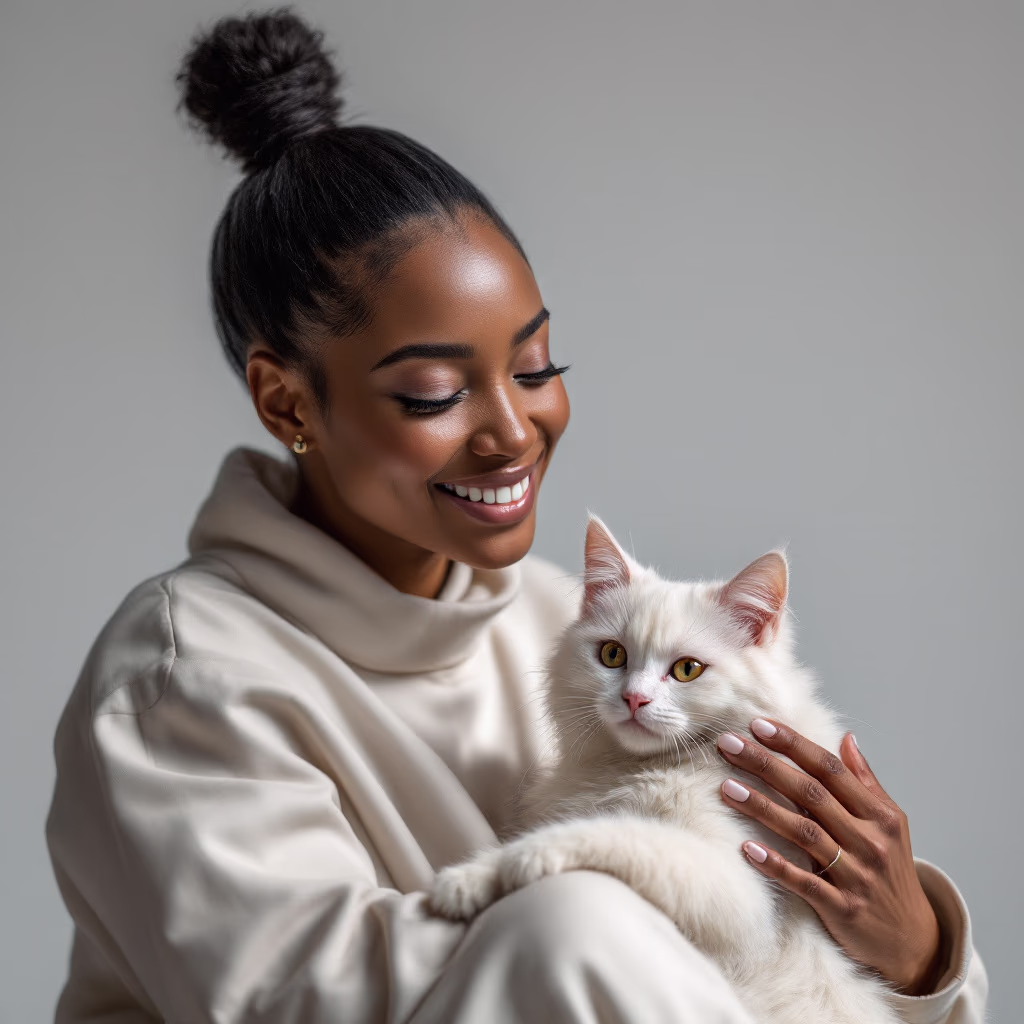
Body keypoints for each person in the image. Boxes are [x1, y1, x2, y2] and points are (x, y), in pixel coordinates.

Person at [45, 9, 988, 1023]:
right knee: (572, 924)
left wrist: (917, 946)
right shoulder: (184, 677)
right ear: (287, 402)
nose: (513, 431)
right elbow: (307, 999)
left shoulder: (571, 625)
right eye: (434, 393)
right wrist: (609, 898)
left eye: (536, 368)